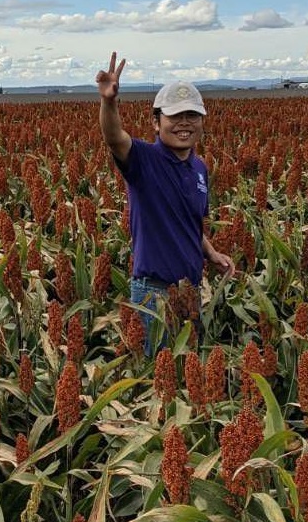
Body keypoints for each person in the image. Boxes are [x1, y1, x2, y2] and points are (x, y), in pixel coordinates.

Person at [96, 51, 234, 355]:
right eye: (175, 116)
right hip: (153, 295)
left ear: (201, 123)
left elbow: (190, 224)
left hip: (191, 292)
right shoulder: (144, 160)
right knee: (157, 382)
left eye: (192, 116)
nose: (184, 124)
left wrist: (211, 253)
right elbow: (114, 137)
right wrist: (108, 102)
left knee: (185, 375)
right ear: (157, 123)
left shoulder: (200, 169)